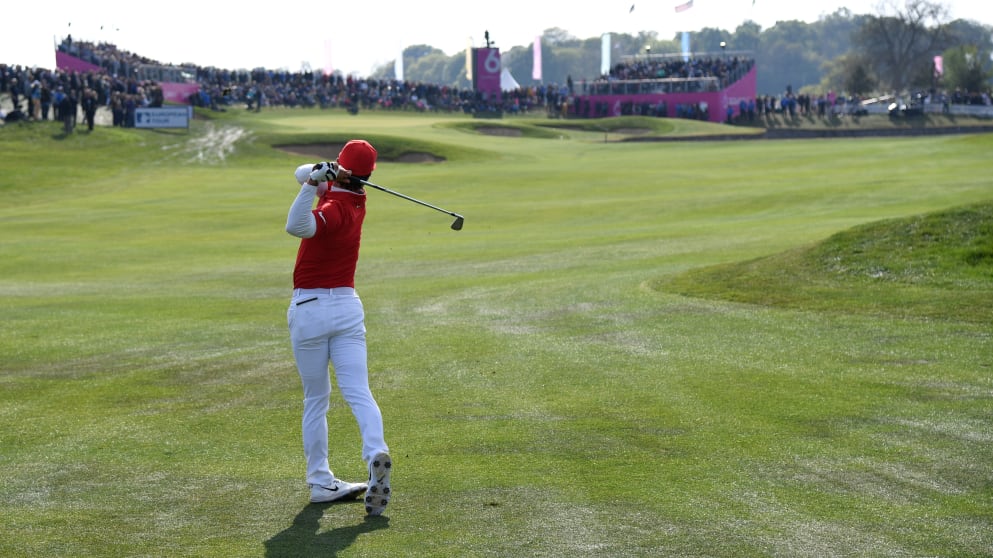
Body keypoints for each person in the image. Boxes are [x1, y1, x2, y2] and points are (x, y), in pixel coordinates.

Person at [284, 140, 392, 515]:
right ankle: (376, 450)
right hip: (347, 307)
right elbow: (303, 172)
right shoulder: (355, 198)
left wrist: (311, 184)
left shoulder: (335, 207)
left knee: (316, 399)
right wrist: (321, 173)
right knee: (358, 390)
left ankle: (319, 481)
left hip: (310, 307)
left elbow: (296, 225)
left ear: (344, 169)